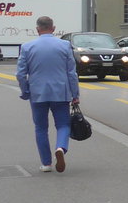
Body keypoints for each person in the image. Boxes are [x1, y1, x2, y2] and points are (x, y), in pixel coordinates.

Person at [16, 15, 81, 174]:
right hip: (61, 93)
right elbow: (72, 73)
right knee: (63, 125)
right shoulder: (65, 45)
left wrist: (25, 91)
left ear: (37, 29)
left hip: (37, 93)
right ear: (53, 28)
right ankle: (60, 148)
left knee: (40, 128)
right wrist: (75, 94)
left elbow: (20, 74)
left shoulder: (27, 47)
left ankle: (46, 164)